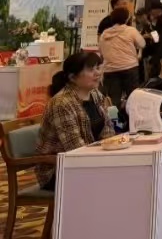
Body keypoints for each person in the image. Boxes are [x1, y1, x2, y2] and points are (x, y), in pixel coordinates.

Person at [36, 51, 115, 189]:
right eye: (90, 70)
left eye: (97, 68)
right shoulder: (62, 103)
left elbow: (108, 131)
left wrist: (112, 150)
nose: (97, 73)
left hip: (88, 162)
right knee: (114, 180)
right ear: (72, 77)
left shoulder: (95, 94)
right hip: (58, 169)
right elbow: (75, 149)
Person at [99, 5, 145, 120]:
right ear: (127, 18)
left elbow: (101, 51)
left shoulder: (104, 34)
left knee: (113, 101)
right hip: (129, 67)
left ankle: (114, 124)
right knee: (133, 97)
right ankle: (134, 121)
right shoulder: (131, 30)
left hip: (110, 70)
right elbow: (142, 44)